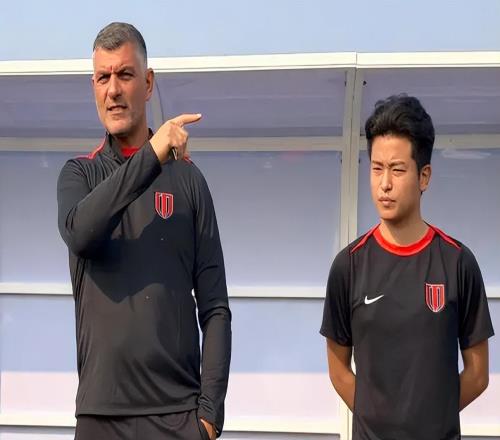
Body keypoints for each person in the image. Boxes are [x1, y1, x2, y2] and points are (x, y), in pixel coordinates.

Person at [57, 22, 231, 440]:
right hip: (100, 416)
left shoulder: (188, 181)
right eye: (103, 78)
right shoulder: (79, 174)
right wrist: (153, 153)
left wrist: (209, 417)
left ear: (148, 83)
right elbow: (82, 234)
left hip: (177, 417)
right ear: (93, 87)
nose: (113, 90)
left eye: (125, 74)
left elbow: (215, 308)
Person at [320, 95, 494, 439]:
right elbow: (338, 367)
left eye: (397, 170)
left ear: (424, 176)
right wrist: (378, 421)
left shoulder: (458, 262)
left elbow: (478, 375)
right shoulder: (348, 266)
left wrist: (430, 421)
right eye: (376, 168)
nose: (384, 183)